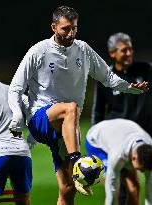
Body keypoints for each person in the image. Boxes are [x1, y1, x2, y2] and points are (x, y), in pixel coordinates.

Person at [8, 6, 148, 205]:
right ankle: (77, 160)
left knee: (67, 191)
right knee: (70, 108)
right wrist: (17, 118)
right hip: (40, 118)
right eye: (66, 29)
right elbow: (15, 89)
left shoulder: (82, 49)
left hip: (67, 127)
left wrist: (130, 87)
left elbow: (107, 77)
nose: (71, 33)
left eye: (74, 28)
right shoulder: (38, 51)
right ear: (54, 27)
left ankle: (73, 164)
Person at [91, 32, 152, 204]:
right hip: (118, 141)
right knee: (127, 188)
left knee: (134, 187)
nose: (129, 53)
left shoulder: (147, 70)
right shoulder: (106, 78)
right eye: (124, 50)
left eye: (130, 49)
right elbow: (97, 110)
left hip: (142, 140)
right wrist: (98, 141)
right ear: (112, 53)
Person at [85, 118, 152, 205]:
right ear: (134, 158)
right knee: (114, 187)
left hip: (120, 137)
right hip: (96, 142)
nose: (142, 172)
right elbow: (111, 187)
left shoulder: (149, 146)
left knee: (134, 188)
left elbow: (150, 186)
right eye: (141, 169)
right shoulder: (117, 155)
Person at [0, 80, 32, 205]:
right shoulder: (10, 89)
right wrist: (33, 138)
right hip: (22, 152)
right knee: (23, 199)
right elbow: (33, 108)